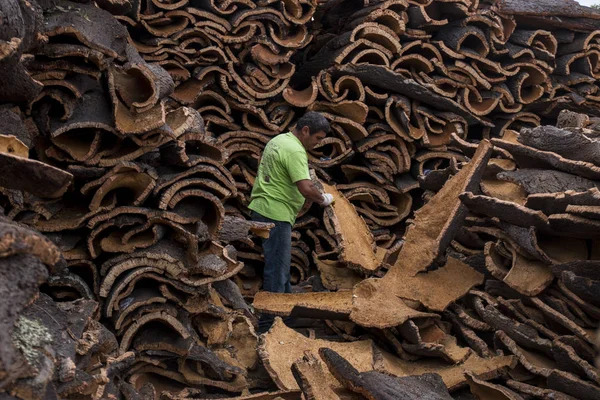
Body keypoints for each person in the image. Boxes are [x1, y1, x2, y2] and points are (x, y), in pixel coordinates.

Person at [248, 111, 334, 333]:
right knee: (277, 270)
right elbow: (305, 188)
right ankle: (268, 326)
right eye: (317, 138)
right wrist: (323, 199)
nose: (317, 144)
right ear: (305, 130)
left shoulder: (278, 140)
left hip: (263, 208)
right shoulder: (295, 149)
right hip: (275, 213)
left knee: (281, 269)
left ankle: (287, 319)